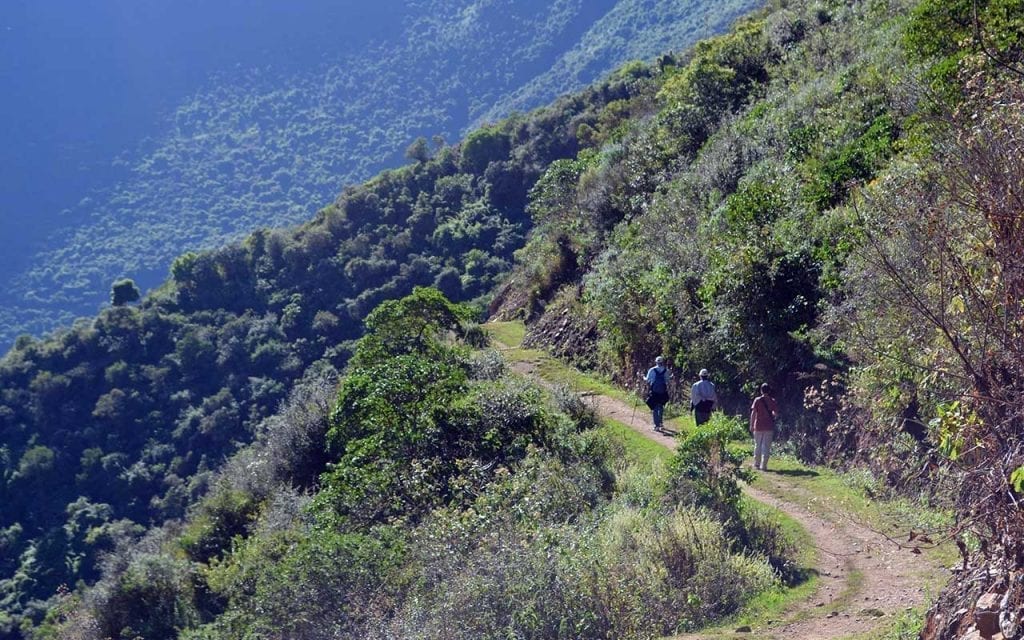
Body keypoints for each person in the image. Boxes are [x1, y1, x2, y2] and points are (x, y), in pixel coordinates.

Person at [750, 383, 780, 471]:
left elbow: (753, 413)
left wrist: (751, 425)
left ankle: (756, 464)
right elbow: (776, 414)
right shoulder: (772, 401)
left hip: (758, 425)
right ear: (769, 391)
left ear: (761, 390)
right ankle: (764, 466)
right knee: (766, 446)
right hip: (769, 426)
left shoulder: (757, 400)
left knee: (757, 445)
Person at [645, 356, 671, 433]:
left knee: (655, 408)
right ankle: (661, 423)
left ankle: (656, 425)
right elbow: (668, 380)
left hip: (654, 392)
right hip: (663, 392)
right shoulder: (666, 370)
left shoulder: (652, 370)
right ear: (662, 362)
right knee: (661, 407)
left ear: (656, 362)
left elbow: (648, 380)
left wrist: (643, 377)